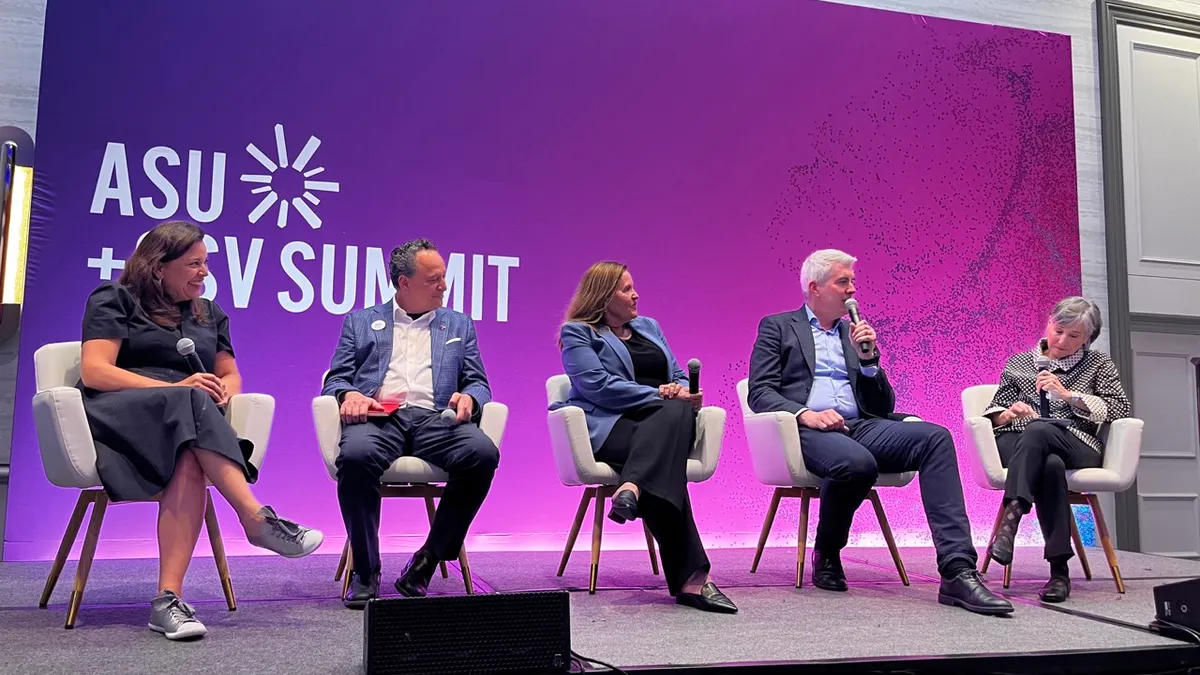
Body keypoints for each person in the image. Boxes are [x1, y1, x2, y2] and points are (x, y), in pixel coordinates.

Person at [77, 221, 323, 641]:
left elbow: (229, 374)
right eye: (193, 264)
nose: (204, 272)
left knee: (190, 449)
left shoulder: (209, 313)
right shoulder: (115, 298)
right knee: (189, 401)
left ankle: (167, 601)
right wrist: (176, 389)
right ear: (158, 267)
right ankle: (254, 517)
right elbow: (96, 371)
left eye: (205, 263)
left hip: (187, 426)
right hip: (122, 416)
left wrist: (224, 392)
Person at [747, 249, 1012, 615]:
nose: (852, 291)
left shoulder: (853, 334)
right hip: (805, 430)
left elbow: (882, 404)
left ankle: (957, 571)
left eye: (853, 282)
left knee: (935, 438)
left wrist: (870, 361)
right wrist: (806, 414)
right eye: (843, 282)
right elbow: (760, 392)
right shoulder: (777, 326)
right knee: (857, 464)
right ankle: (827, 550)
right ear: (815, 287)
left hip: (860, 425)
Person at [551, 261, 736, 614]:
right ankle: (693, 580)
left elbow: (679, 373)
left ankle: (632, 487)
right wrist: (661, 396)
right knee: (670, 436)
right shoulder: (579, 333)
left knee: (675, 414)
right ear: (603, 297)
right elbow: (596, 386)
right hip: (611, 426)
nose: (636, 295)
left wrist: (679, 391)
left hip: (661, 426)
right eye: (626, 289)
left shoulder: (649, 327)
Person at [325, 238, 500, 609]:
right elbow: (336, 379)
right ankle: (366, 570)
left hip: (436, 419)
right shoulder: (360, 321)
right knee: (355, 457)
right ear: (405, 283)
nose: (444, 286)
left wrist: (470, 398)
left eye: (444, 278)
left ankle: (427, 561)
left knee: (482, 454)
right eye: (434, 279)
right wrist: (348, 395)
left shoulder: (458, 323)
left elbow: (478, 382)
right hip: (379, 417)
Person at [982, 297, 1131, 602]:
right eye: (1058, 330)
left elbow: (1119, 407)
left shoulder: (1098, 364)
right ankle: (1059, 573)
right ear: (1048, 323)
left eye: (1074, 336)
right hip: (1022, 441)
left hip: (1076, 441)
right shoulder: (1020, 362)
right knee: (1049, 465)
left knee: (1042, 432)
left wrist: (1069, 395)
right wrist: (1008, 413)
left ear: (1088, 339)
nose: (1062, 340)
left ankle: (1013, 516)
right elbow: (994, 410)